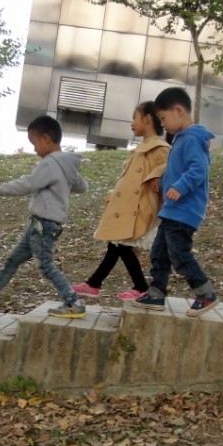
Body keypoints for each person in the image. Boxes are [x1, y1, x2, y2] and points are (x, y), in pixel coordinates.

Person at [0, 115, 88, 318]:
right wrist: (67, 179)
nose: (34, 149)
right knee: (13, 259)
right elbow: (82, 187)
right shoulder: (67, 165)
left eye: (34, 143)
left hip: (43, 226)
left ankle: (74, 302)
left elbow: (28, 183)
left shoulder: (50, 163)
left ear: (46, 139)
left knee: (46, 266)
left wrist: (0, 190)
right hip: (39, 225)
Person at [133, 87, 219, 317]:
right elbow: (177, 170)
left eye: (163, 118)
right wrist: (163, 183)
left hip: (184, 211)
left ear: (179, 111)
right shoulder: (182, 138)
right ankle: (156, 293)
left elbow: (199, 169)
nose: (162, 124)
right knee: (159, 252)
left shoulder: (192, 138)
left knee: (179, 254)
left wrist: (180, 187)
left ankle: (205, 293)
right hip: (173, 210)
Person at [73, 101, 171, 300]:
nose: (131, 123)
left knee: (121, 246)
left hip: (140, 208)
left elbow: (169, 169)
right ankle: (95, 284)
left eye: (135, 118)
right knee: (116, 245)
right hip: (127, 208)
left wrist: (158, 177)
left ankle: (137, 287)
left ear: (147, 118)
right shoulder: (141, 148)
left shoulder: (159, 148)